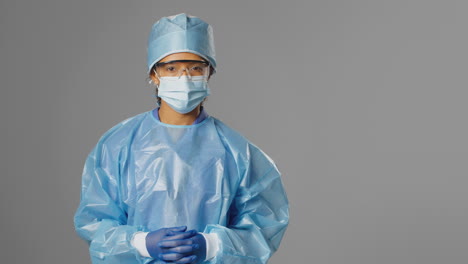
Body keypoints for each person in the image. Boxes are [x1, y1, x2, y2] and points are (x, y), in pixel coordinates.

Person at [73, 13, 289, 264]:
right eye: (171, 68)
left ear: (209, 73)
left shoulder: (238, 152)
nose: (184, 77)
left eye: (195, 67)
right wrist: (142, 244)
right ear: (154, 74)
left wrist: (210, 246)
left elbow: (265, 226)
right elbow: (95, 221)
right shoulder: (119, 144)